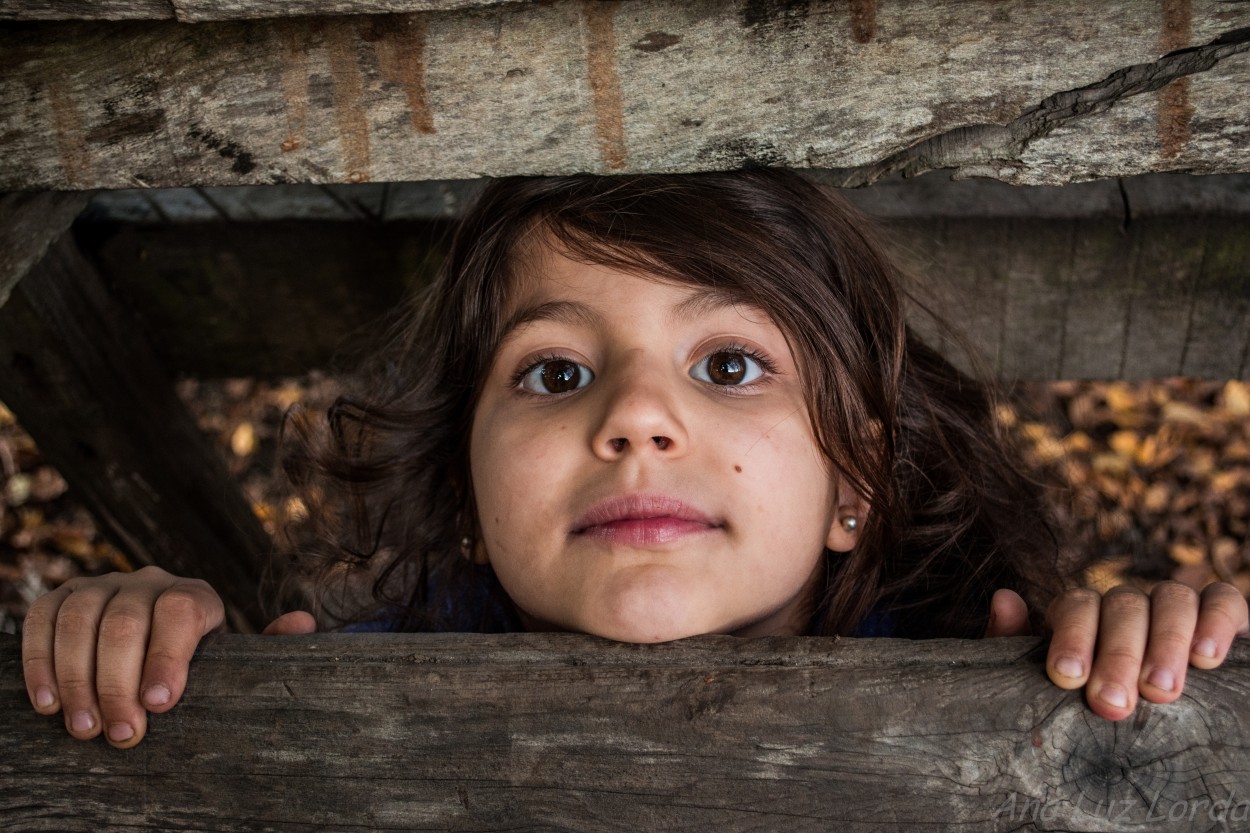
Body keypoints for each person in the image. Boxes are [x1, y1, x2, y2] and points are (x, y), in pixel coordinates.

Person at [21, 169, 1248, 749]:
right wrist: (154, 645)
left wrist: (1138, 664)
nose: (636, 417)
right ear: (463, 486)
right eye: (556, 372)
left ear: (854, 484)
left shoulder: (999, 671)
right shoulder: (346, 683)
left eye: (727, 364)